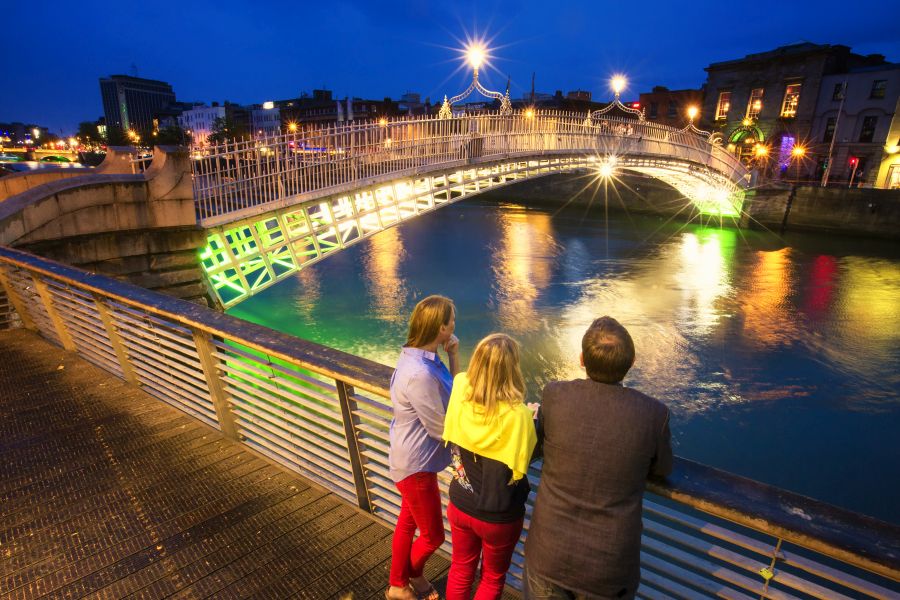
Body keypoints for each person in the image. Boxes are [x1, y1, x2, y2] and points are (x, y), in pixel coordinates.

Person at [524, 316, 672, 600]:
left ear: (581, 360)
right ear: (632, 363)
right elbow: (663, 468)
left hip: (549, 554)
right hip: (608, 569)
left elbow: (537, 443)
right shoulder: (654, 414)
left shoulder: (555, 395)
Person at [442, 333, 538, 600]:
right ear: (512, 369)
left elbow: (463, 381)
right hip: (498, 515)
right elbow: (524, 456)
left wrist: (453, 355)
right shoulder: (519, 415)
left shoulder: (460, 387)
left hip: (461, 503)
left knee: (461, 567)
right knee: (493, 578)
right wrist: (532, 418)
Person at [387, 295, 460, 600]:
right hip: (417, 465)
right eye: (451, 321)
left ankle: (399, 582)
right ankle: (408, 579)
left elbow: (452, 393)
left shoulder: (418, 357)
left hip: (408, 456)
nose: (454, 325)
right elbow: (439, 428)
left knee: (407, 523)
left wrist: (453, 354)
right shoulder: (421, 373)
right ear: (441, 328)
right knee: (432, 536)